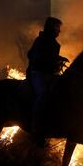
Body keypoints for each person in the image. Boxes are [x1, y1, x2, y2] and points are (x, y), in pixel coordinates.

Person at [26, 17, 69, 146]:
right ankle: (36, 129)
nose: (59, 31)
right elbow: (31, 55)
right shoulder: (40, 41)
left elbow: (51, 57)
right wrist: (51, 61)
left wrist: (59, 59)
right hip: (38, 73)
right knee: (43, 95)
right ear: (50, 28)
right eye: (57, 28)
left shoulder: (55, 44)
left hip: (50, 74)